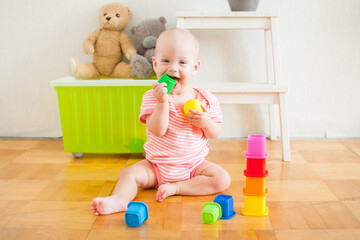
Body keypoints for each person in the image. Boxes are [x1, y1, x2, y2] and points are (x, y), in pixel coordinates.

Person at [91, 28, 231, 216]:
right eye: (166, 61)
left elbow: (215, 132)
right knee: (128, 174)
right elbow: (157, 130)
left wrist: (206, 122)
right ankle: (119, 200)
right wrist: (162, 102)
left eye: (182, 62)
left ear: (195, 68)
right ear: (155, 65)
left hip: (194, 166)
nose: (173, 68)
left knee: (222, 179)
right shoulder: (152, 97)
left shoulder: (205, 99)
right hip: (157, 167)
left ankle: (178, 187)